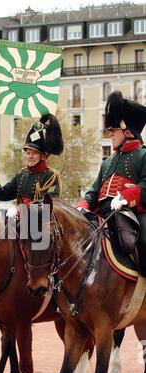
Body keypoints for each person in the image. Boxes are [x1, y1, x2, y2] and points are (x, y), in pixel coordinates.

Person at [77, 90, 146, 276]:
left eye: (113, 130)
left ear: (128, 132)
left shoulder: (143, 155)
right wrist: (83, 206)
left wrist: (125, 197)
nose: (110, 134)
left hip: (130, 212)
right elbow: (93, 192)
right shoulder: (107, 162)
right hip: (101, 214)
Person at [0, 113, 64, 204]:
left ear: (44, 156)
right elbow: (2, 194)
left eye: (34, 153)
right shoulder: (21, 174)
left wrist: (24, 208)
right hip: (21, 217)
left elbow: (50, 205)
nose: (30, 156)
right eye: (28, 152)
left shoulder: (51, 176)